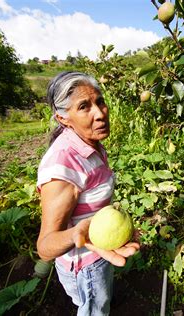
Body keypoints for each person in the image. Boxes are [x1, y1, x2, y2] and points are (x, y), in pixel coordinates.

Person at [36, 71, 140, 315]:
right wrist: (79, 234)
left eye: (100, 102)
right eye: (84, 106)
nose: (100, 113)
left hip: (101, 253)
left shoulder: (89, 144)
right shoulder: (63, 165)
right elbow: (45, 247)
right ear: (63, 119)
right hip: (86, 267)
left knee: (103, 301)